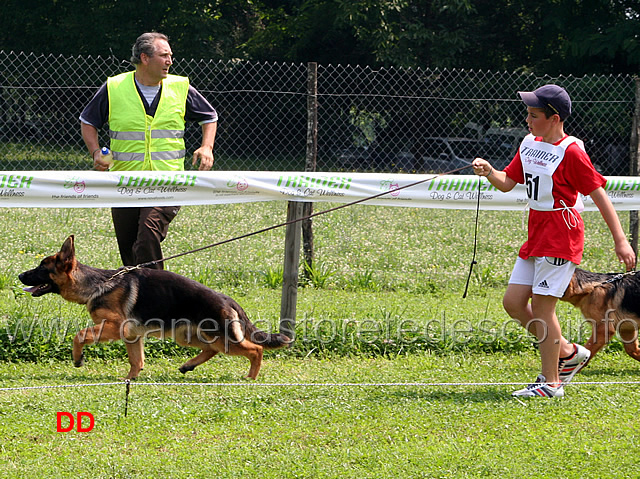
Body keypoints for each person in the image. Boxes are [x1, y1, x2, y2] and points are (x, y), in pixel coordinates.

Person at [472, 84, 636, 398]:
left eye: (534, 115)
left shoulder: (572, 151)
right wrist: (490, 171)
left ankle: (550, 383)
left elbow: (598, 194)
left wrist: (621, 241)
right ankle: (567, 352)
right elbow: (508, 183)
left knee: (543, 308)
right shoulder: (529, 143)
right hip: (537, 232)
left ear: (555, 118)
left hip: (562, 234)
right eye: (528, 114)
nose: (528, 120)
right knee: (514, 303)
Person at [80, 32, 218, 269]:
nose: (170, 61)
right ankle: (137, 299)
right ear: (145, 58)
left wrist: (207, 146)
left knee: (147, 233)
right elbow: (88, 121)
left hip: (168, 180)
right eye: (164, 55)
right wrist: (96, 152)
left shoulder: (180, 87)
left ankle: (158, 296)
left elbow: (210, 116)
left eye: (170, 56)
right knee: (129, 246)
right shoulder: (114, 87)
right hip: (125, 180)